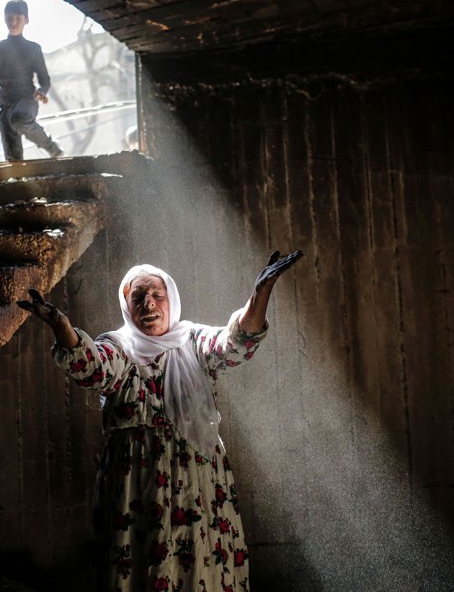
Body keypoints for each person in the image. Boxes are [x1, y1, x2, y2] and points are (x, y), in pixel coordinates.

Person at [18, 251, 303, 591]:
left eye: (156, 295)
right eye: (138, 297)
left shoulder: (194, 341)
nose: (148, 303)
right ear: (128, 307)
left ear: (171, 298)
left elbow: (235, 343)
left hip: (198, 482)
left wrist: (260, 294)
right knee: (141, 566)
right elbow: (92, 367)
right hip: (136, 482)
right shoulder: (119, 346)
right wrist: (63, 327)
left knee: (201, 562)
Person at [0, 0, 63, 161]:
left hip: (27, 101)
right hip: (4, 106)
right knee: (13, 160)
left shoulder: (33, 49)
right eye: (9, 17)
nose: (13, 21)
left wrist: (42, 91)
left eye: (18, 17)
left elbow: (45, 80)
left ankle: (52, 149)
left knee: (19, 119)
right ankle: (21, 185)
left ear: (26, 19)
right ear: (4, 18)